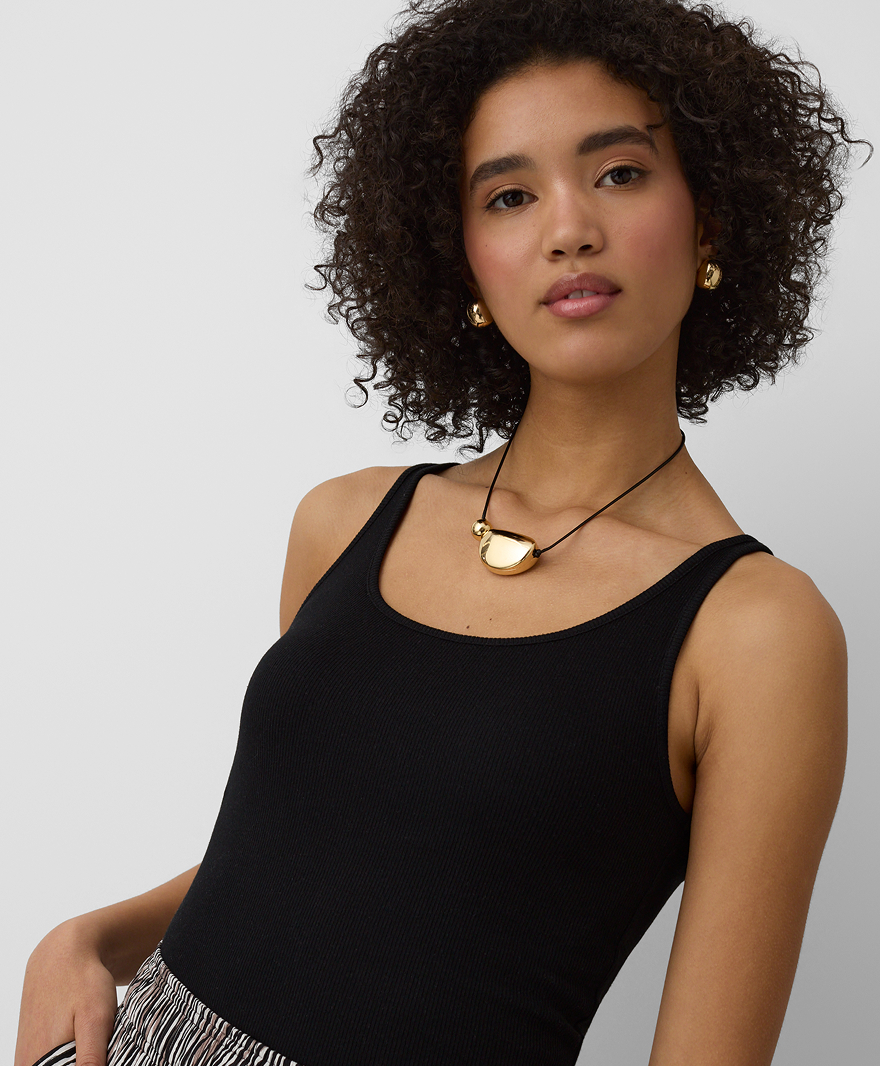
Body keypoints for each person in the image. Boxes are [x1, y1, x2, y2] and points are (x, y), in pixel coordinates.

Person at [14, 1, 868, 1064]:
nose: (568, 229)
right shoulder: (345, 521)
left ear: (713, 222)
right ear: (460, 260)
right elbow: (313, 859)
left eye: (619, 173)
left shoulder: (755, 633)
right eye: (509, 196)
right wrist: (88, 937)